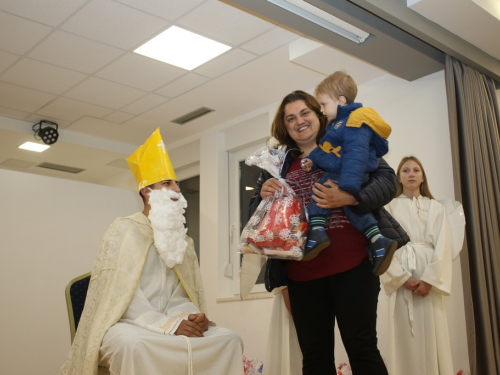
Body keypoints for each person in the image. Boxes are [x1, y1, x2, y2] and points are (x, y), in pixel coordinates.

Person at [61, 129, 244, 375]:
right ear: (147, 191)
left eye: (177, 183)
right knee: (134, 346)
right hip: (128, 324)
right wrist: (167, 326)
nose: (177, 190)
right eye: (167, 183)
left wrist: (189, 317)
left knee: (229, 339)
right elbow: (122, 296)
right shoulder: (124, 229)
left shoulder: (182, 241)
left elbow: (180, 293)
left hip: (172, 319)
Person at [248, 90, 406, 375]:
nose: (299, 121)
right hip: (302, 275)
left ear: (319, 114)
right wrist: (262, 194)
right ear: (285, 126)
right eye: (291, 118)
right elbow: (255, 217)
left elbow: (388, 181)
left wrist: (352, 198)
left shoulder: (348, 140)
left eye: (305, 113)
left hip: (353, 265)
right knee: (315, 356)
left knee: (362, 348)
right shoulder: (277, 163)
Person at [299, 71, 397, 275]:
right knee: (354, 211)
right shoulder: (338, 123)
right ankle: (378, 240)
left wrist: (349, 187)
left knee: (319, 193)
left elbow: (356, 154)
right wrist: (313, 161)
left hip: (345, 174)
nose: (322, 110)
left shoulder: (355, 121)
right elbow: (328, 149)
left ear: (341, 100)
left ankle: (317, 232)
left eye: (324, 104)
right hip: (343, 172)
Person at [380, 156, 454, 375]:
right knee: (404, 334)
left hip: (428, 271)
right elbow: (383, 246)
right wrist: (402, 278)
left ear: (423, 177)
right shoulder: (388, 208)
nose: (411, 174)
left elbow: (444, 246)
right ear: (398, 178)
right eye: (405, 170)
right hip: (402, 274)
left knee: (434, 331)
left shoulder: (436, 208)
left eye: (416, 170)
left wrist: (430, 280)